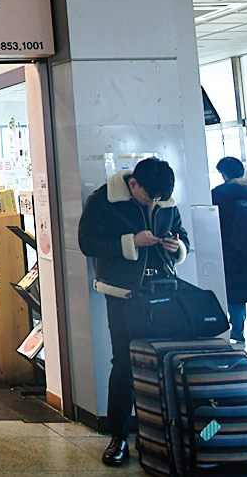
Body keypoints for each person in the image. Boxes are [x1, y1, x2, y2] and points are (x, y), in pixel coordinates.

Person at [78, 157, 189, 467]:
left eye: (158, 198)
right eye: (148, 196)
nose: (153, 202)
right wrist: (131, 243)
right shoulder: (104, 199)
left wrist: (177, 246)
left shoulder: (164, 200)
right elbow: (87, 242)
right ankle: (119, 436)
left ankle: (158, 434)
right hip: (123, 293)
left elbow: (182, 235)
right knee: (125, 362)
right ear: (134, 183)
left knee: (162, 363)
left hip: (164, 290)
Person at [211, 156, 247, 344]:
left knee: (236, 295)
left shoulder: (219, 194)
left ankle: (237, 331)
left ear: (223, 174)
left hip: (233, 252)